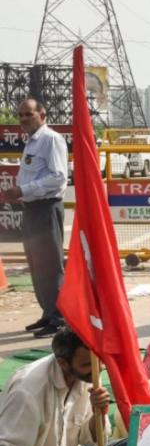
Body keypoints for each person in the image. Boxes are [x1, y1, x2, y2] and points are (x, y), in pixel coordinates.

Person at [0, 328, 125, 446]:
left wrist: (98, 413)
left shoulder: (89, 373)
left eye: (99, 360)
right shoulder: (27, 391)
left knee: (139, 445)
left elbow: (89, 438)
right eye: (87, 364)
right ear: (63, 363)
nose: (98, 368)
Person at [2, 99, 67, 338]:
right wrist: (20, 193)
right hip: (31, 209)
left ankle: (60, 317)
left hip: (47, 208)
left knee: (51, 264)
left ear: (42, 114)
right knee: (37, 265)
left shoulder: (51, 140)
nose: (23, 119)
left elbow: (59, 178)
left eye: (28, 114)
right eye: (20, 115)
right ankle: (48, 312)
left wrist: (24, 190)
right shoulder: (31, 142)